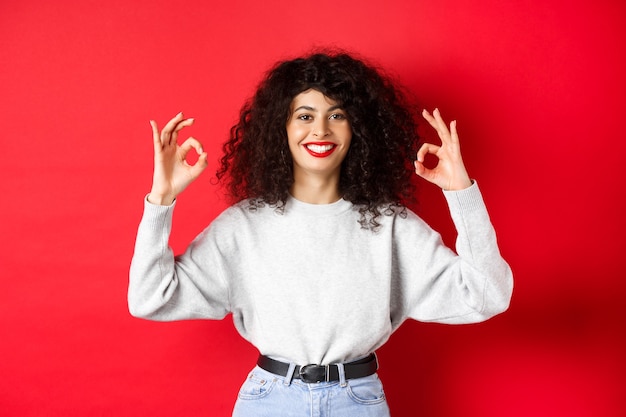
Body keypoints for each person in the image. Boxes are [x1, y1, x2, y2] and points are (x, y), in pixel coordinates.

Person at [128, 51, 513, 417]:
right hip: (270, 401)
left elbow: (486, 295)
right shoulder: (244, 226)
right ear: (282, 126)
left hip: (358, 401)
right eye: (305, 116)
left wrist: (461, 193)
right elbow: (149, 299)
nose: (321, 130)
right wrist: (161, 200)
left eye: (337, 115)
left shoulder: (389, 225)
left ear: (357, 128)